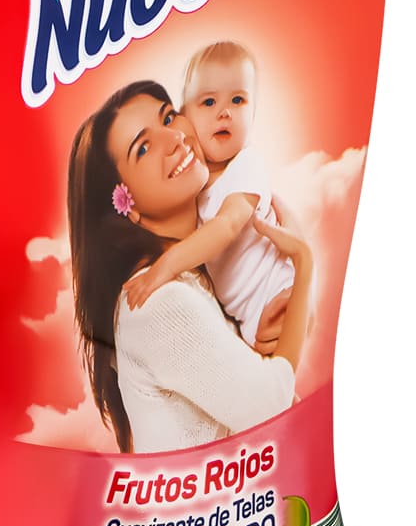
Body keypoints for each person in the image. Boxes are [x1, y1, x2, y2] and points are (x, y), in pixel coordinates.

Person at [66, 79, 314, 454]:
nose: (174, 139)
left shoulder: (201, 274)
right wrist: (305, 264)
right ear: (127, 207)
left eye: (168, 117)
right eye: (143, 148)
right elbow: (272, 406)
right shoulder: (156, 300)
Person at [121, 41, 292, 347]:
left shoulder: (246, 165)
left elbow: (227, 225)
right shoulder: (195, 188)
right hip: (247, 321)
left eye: (238, 100)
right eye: (209, 102)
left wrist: (166, 266)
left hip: (278, 290)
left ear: (253, 114)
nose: (224, 112)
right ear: (185, 114)